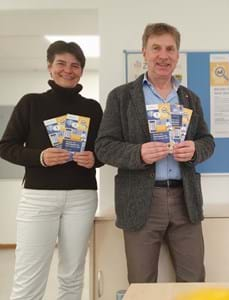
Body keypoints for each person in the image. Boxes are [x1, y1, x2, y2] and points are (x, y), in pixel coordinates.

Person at [95, 23, 215, 283]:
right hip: (140, 202)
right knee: (141, 284)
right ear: (144, 53)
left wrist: (195, 149)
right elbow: (103, 147)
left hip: (186, 200)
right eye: (156, 48)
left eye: (170, 49)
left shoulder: (190, 99)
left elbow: (207, 141)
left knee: (194, 281)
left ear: (177, 55)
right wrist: (138, 153)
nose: (163, 55)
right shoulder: (121, 97)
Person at [0, 41, 103, 299]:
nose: (68, 70)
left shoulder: (92, 108)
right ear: (49, 67)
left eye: (75, 65)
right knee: (29, 276)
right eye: (61, 63)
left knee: (72, 275)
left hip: (81, 197)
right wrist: (41, 156)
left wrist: (95, 158)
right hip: (38, 197)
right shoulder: (31, 103)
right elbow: (6, 146)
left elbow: (104, 150)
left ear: (81, 70)